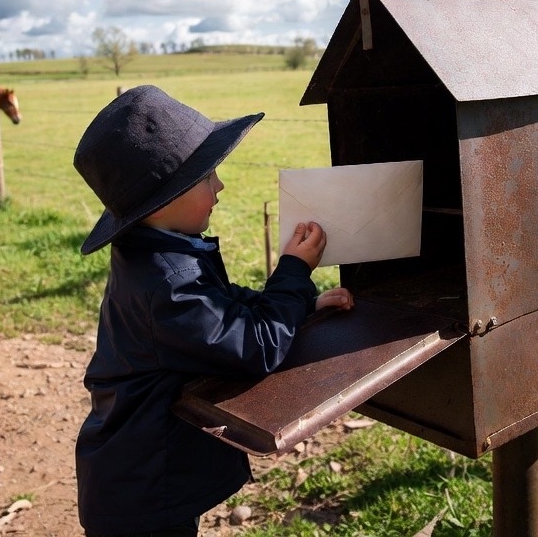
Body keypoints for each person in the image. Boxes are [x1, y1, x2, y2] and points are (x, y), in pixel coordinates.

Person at [71, 84, 353, 536]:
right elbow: (256, 346)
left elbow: (224, 308)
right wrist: (294, 271)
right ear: (166, 199)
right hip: (145, 495)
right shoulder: (169, 285)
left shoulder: (156, 254)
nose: (220, 185)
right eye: (208, 177)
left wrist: (303, 303)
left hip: (138, 477)